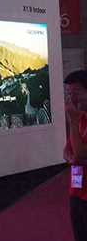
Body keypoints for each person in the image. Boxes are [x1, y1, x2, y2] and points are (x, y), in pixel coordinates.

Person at [64, 70, 87, 240]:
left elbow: (78, 154)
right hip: (77, 190)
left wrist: (72, 121)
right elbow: (68, 151)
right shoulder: (81, 118)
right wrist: (75, 159)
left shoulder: (76, 119)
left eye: (77, 92)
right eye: (69, 94)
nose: (72, 99)